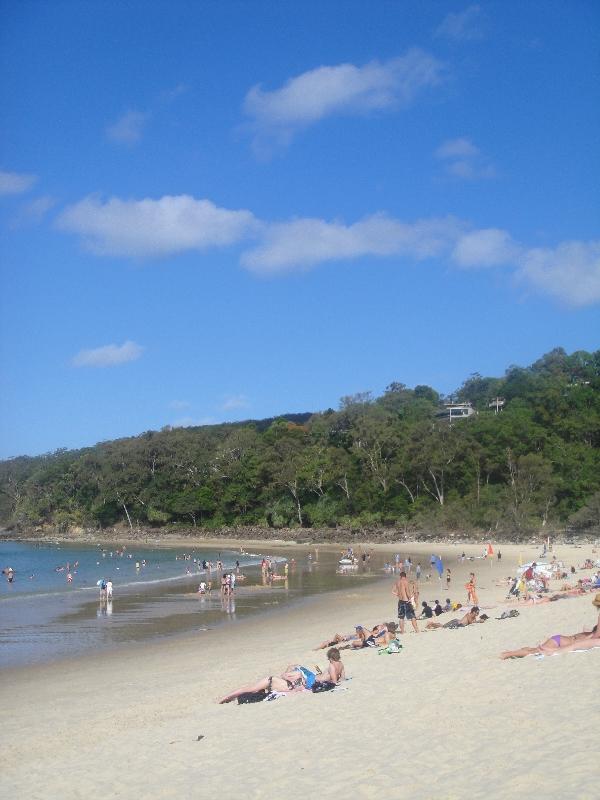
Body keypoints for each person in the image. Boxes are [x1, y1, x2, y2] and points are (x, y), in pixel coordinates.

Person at [500, 594, 600, 659]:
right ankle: (508, 654)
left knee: (534, 650)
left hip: (561, 639)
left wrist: (587, 635)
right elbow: (596, 635)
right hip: (562, 642)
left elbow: (595, 634)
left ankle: (511, 652)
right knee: (535, 651)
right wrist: (586, 638)